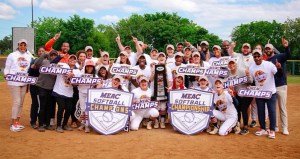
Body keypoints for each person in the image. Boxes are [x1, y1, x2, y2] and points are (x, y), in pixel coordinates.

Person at [4, 39, 33, 132]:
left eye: (24, 45)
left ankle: (17, 122)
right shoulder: (12, 55)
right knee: (17, 101)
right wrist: (6, 75)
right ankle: (13, 123)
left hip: (24, 82)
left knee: (21, 102)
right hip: (14, 81)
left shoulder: (29, 56)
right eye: (21, 45)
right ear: (18, 45)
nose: (23, 47)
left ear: (26, 46)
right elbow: (7, 67)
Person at [249, 49, 278, 139]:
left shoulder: (269, 64)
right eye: (255, 56)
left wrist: (279, 68)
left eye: (258, 56)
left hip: (270, 92)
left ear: (262, 56)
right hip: (259, 93)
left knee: (271, 111)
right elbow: (253, 81)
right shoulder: (252, 67)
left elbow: (277, 74)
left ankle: (272, 130)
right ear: (253, 57)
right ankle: (262, 128)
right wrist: (252, 88)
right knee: (260, 111)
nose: (257, 58)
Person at [266, 38, 291, 135]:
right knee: (272, 108)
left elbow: (288, 55)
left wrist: (286, 47)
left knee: (282, 108)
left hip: (281, 85)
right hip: (271, 87)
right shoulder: (266, 61)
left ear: (273, 50)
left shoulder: (279, 56)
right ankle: (275, 126)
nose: (268, 50)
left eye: (269, 49)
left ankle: (284, 127)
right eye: (266, 49)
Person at [34, 50, 58, 132]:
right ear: (50, 56)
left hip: (51, 88)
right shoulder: (45, 62)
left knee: (49, 107)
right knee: (42, 106)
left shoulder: (58, 65)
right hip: (42, 87)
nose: (53, 57)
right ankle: (41, 124)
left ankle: (47, 124)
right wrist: (43, 54)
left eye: (55, 55)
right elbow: (36, 63)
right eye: (52, 55)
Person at [227, 58, 253, 135]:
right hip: (238, 93)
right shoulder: (229, 74)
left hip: (246, 92)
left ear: (236, 64)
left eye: (233, 63)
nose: (231, 65)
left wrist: (248, 75)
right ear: (228, 65)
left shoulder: (241, 70)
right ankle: (237, 125)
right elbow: (229, 85)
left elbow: (251, 81)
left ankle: (245, 127)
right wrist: (231, 88)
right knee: (237, 109)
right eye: (230, 64)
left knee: (244, 109)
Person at [52, 55, 77, 133]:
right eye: (71, 59)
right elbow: (52, 63)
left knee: (69, 109)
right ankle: (59, 125)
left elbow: (77, 84)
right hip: (59, 91)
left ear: (76, 61)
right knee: (61, 107)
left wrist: (73, 76)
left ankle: (64, 125)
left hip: (69, 93)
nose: (72, 60)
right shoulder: (63, 65)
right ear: (68, 60)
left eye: (74, 59)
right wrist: (59, 57)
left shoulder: (77, 70)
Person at [74, 60, 99, 133]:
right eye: (88, 66)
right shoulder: (81, 74)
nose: (89, 68)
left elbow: (98, 84)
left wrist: (98, 84)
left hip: (90, 94)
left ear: (93, 68)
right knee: (82, 109)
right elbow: (76, 82)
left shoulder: (95, 76)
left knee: (87, 110)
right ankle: (83, 124)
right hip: (82, 93)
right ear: (86, 67)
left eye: (91, 67)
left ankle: (87, 126)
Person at [28, 47, 45, 129]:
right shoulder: (34, 61)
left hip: (43, 86)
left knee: (42, 104)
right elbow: (30, 74)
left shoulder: (46, 62)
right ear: (37, 53)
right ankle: (33, 121)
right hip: (34, 86)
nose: (41, 52)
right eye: (39, 51)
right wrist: (32, 68)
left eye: (43, 51)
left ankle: (42, 121)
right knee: (35, 103)